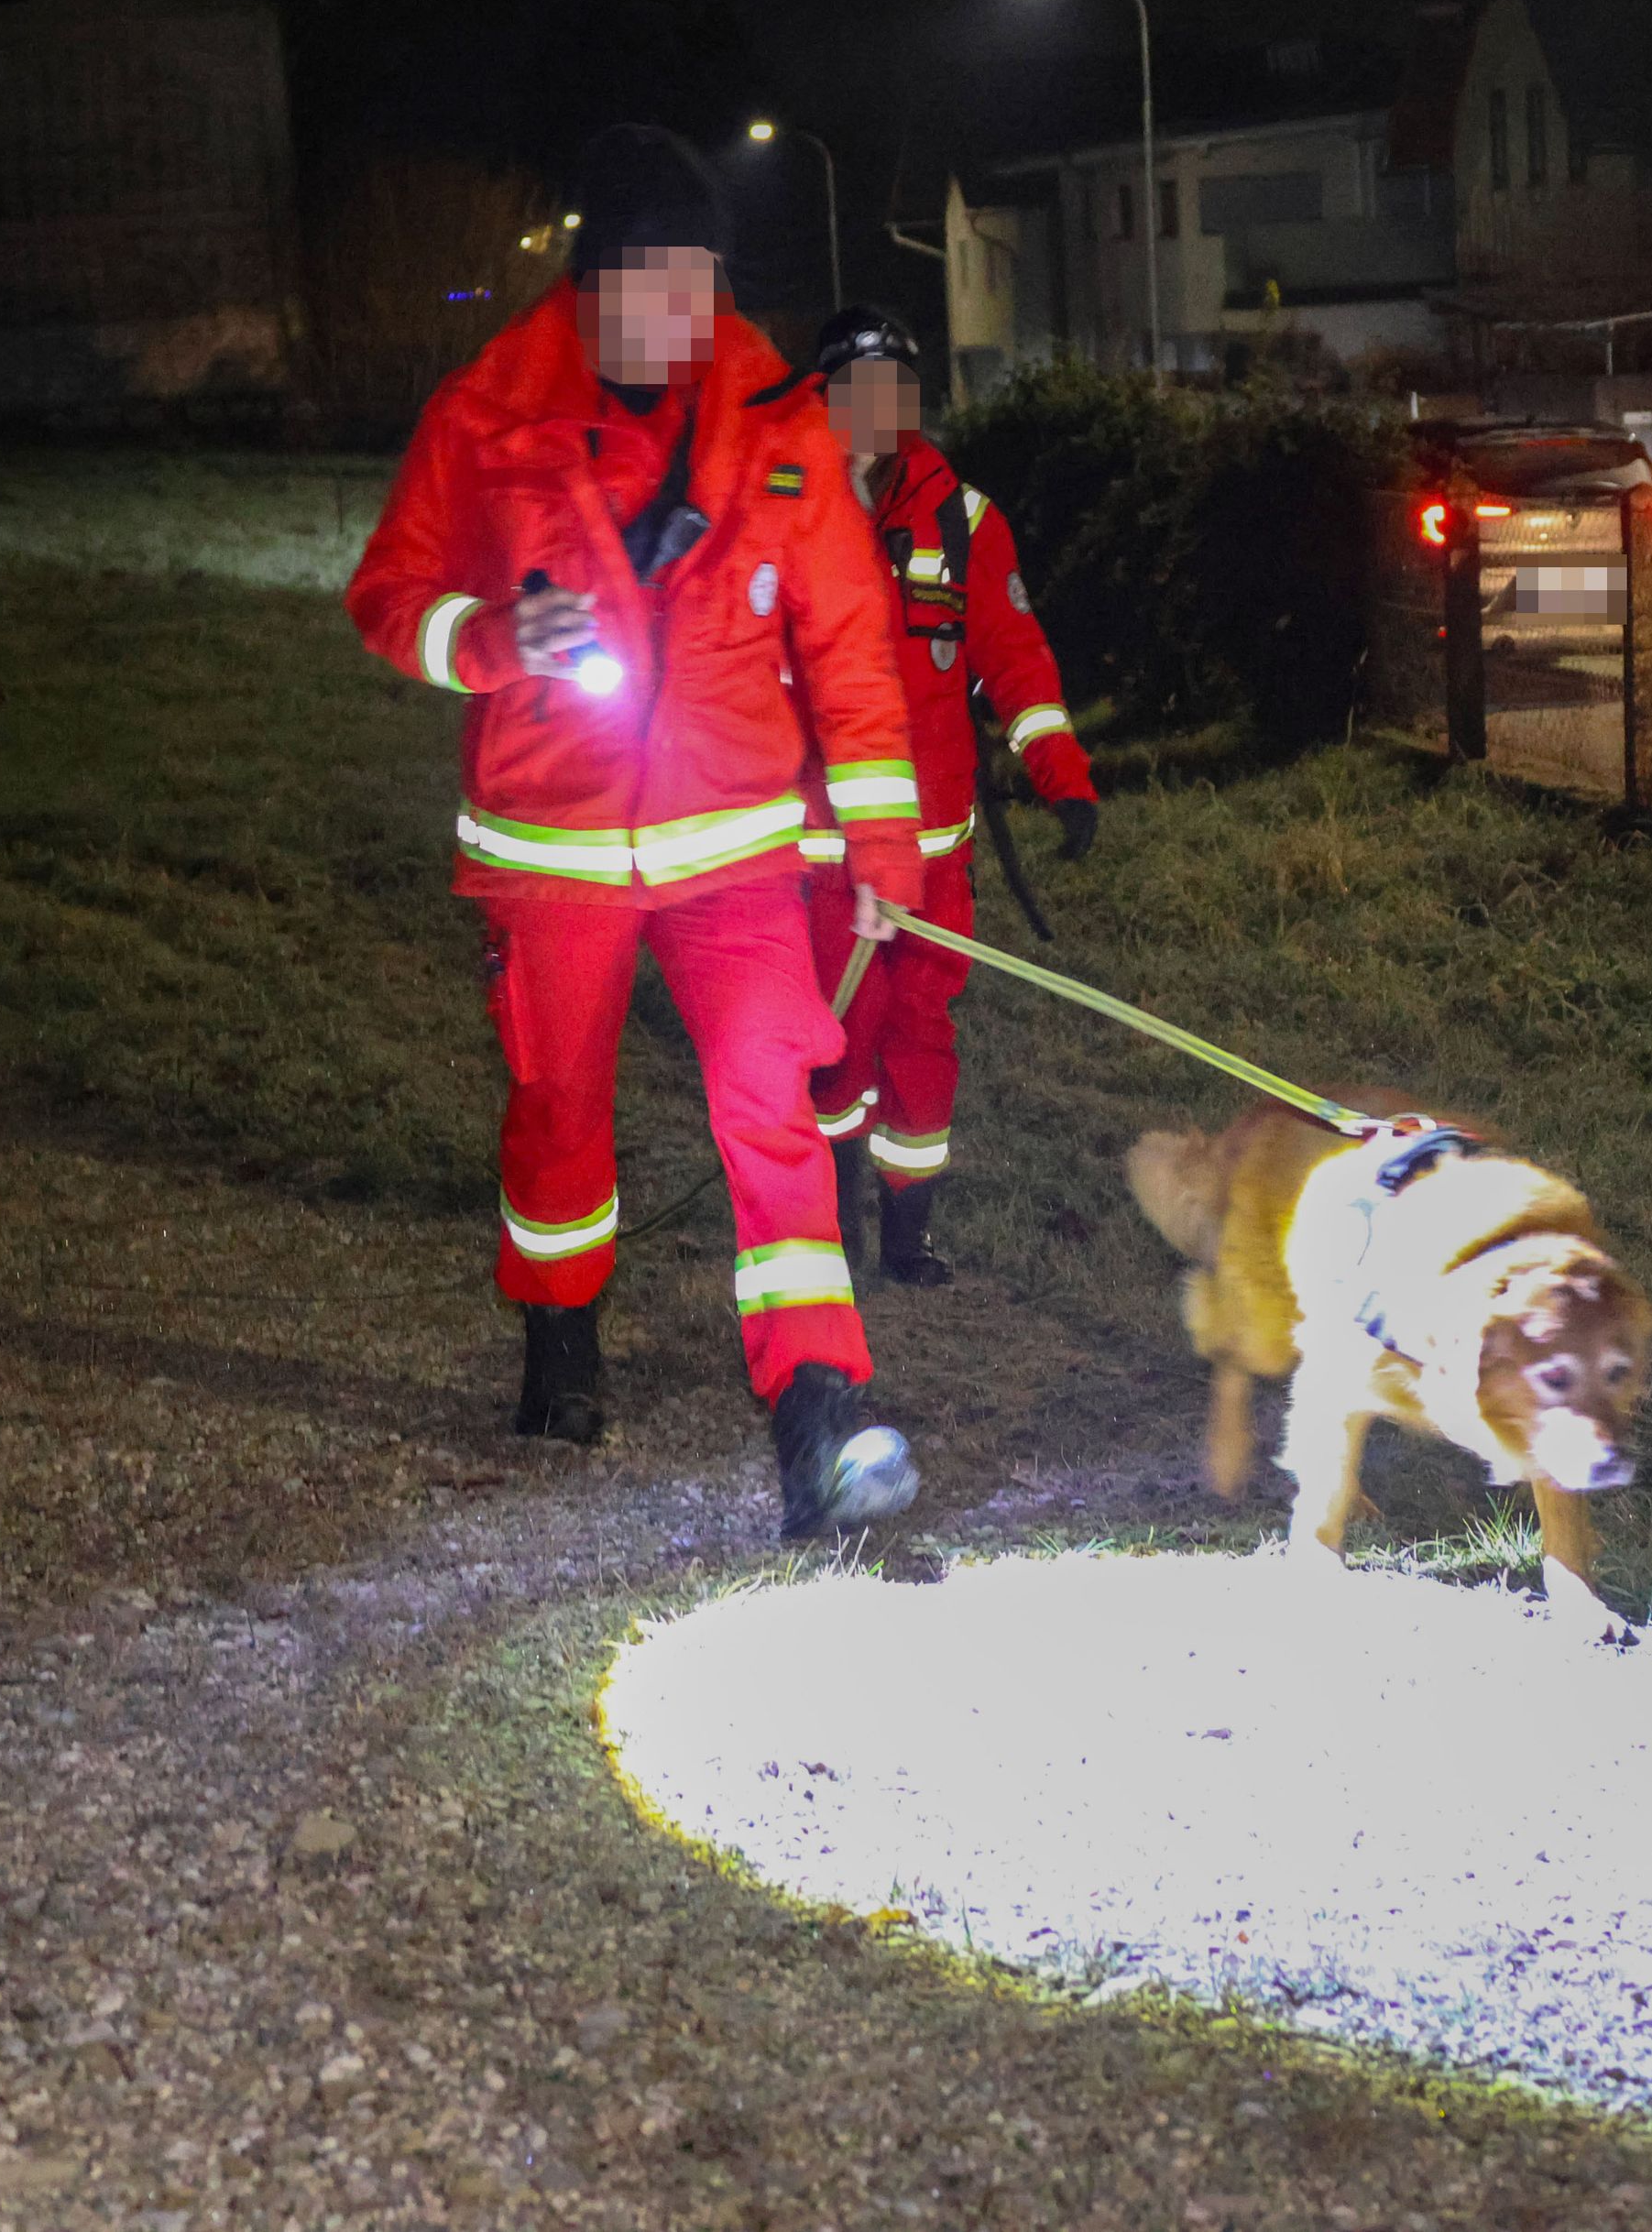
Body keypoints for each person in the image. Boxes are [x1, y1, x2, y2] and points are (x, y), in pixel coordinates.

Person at [341, 126, 931, 1538]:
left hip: (736, 854)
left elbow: (852, 646)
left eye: (706, 281)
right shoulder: (485, 415)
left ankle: (818, 1411)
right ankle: (559, 1334)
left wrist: (883, 857)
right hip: (552, 851)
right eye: (654, 283)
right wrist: (489, 639)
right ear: (590, 282)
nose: (686, 314)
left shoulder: (783, 419)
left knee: (773, 1111)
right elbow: (386, 597)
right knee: (559, 1116)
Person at [795, 306, 1099, 1286]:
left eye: (896, 388)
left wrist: (1064, 780)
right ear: (826, 395)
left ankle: (905, 1234)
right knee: (838, 1044)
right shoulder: (789, 506)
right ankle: (829, 1221)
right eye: (858, 388)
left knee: (922, 1037)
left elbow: (1014, 660)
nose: (878, 408)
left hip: (934, 855)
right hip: (825, 850)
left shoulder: (963, 521)